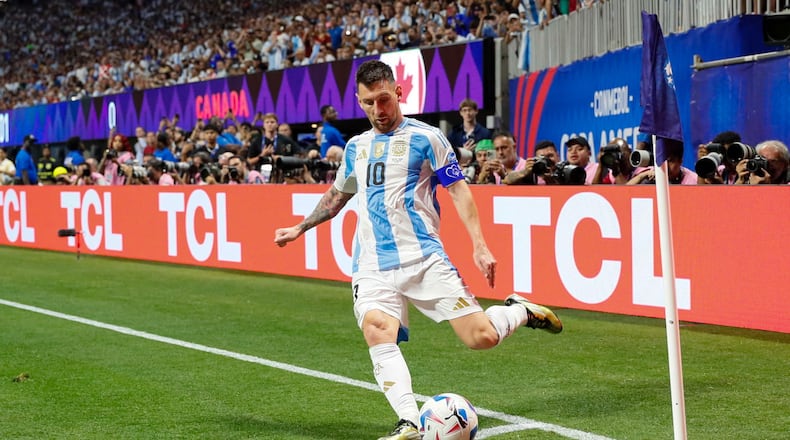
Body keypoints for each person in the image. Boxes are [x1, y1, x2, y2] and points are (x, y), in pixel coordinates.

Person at [274, 60, 562, 440]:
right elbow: (338, 195)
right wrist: (301, 226)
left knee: (481, 338)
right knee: (377, 329)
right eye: (368, 103)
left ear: (398, 93)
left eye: (383, 99)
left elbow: (459, 190)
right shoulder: (356, 147)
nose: (378, 110)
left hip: (424, 259)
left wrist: (479, 245)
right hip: (372, 264)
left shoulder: (428, 138)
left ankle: (519, 312)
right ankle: (409, 421)